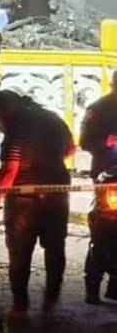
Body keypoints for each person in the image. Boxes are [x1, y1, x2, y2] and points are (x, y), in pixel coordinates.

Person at [0, 90, 74, 322]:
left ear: (3, 111)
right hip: (57, 194)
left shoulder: (17, 127)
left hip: (24, 201)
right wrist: (49, 160)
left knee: (20, 253)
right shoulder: (52, 118)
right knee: (55, 248)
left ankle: (20, 307)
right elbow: (71, 149)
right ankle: (51, 300)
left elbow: (10, 169)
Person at [80, 70, 117, 304]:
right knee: (103, 232)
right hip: (108, 180)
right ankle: (92, 287)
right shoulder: (99, 109)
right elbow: (84, 142)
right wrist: (107, 142)